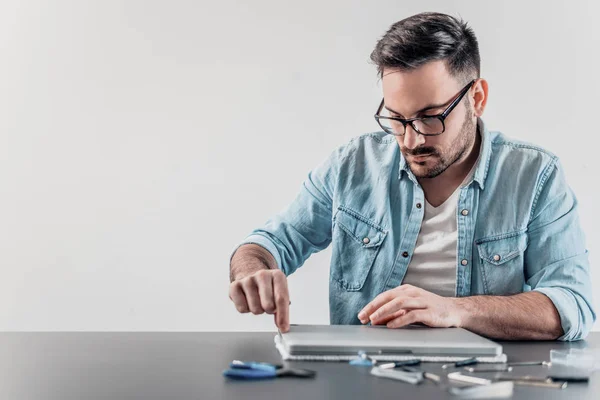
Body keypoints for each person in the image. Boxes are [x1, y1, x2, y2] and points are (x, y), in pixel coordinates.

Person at [228, 12, 595, 341]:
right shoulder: (351, 166)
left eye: (431, 116)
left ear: (477, 98)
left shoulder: (535, 176)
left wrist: (455, 311)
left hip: (482, 381)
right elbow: (267, 244)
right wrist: (252, 272)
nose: (412, 139)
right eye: (397, 118)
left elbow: (571, 304)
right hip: (364, 378)